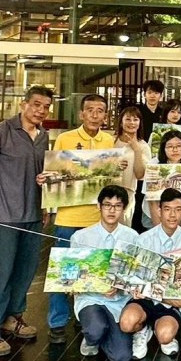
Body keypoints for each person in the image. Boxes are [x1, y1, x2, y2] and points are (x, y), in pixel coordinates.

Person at [0, 85, 53, 357]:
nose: (41, 110)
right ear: (23, 104)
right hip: (5, 215)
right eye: (36, 104)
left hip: (33, 214)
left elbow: (43, 175)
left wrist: (46, 204)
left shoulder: (43, 137)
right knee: (1, 272)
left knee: (25, 271)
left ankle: (12, 318)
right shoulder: (1, 132)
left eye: (46, 106)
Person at [47, 93, 118, 344]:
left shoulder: (108, 140)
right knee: (64, 271)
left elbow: (109, 177)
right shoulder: (65, 139)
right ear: (81, 114)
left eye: (100, 111)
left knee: (93, 271)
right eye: (90, 110)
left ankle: (84, 315)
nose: (95, 115)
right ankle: (57, 322)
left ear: (105, 115)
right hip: (69, 216)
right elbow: (54, 174)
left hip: (96, 218)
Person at [119, 188, 181, 360]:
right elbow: (135, 276)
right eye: (167, 209)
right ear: (159, 211)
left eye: (177, 209)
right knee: (127, 323)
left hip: (171, 304)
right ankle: (142, 330)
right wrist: (135, 287)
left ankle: (162, 333)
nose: (172, 215)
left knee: (165, 335)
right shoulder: (143, 239)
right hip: (145, 299)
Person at [70, 186, 140, 361]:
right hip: (90, 298)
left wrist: (120, 287)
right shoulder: (80, 237)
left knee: (121, 357)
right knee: (96, 329)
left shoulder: (132, 237)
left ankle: (103, 334)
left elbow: (135, 274)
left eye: (117, 206)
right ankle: (92, 337)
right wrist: (93, 286)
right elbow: (71, 277)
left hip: (119, 301)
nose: (112, 210)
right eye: (107, 205)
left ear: (124, 208)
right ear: (99, 206)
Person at [146, 130, 181, 227]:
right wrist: (159, 229)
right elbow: (152, 201)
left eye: (179, 146)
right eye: (170, 146)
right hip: (155, 214)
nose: (175, 150)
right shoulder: (153, 164)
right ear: (163, 148)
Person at [114, 105, 150, 229]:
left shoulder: (143, 146)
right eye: (128, 119)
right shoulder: (111, 141)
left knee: (123, 229)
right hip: (108, 189)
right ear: (121, 122)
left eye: (135, 119)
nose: (132, 123)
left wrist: (137, 150)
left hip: (128, 192)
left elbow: (140, 175)